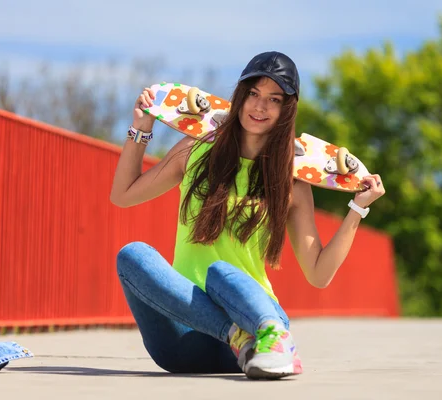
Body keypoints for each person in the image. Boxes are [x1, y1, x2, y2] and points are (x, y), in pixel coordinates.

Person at [110, 51, 385, 380]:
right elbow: (123, 195)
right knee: (133, 255)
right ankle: (235, 338)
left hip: (258, 330)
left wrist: (358, 208)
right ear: (239, 96)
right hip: (184, 337)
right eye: (253, 94)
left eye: (274, 99)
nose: (260, 106)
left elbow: (318, 274)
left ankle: (271, 339)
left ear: (287, 109)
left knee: (221, 273)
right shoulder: (194, 151)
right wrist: (141, 128)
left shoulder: (291, 183)